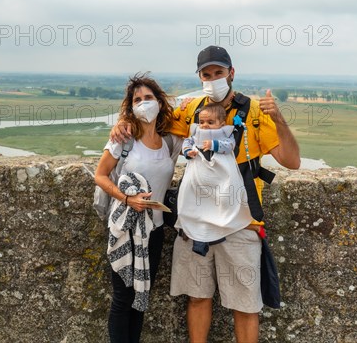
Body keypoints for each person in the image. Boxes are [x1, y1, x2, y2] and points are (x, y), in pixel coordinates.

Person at [111, 46, 300, 343]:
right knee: (197, 298)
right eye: (206, 74)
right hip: (195, 222)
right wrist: (124, 123)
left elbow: (292, 161)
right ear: (199, 76)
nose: (212, 79)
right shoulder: (191, 109)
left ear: (231, 73)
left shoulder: (253, 113)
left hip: (241, 223)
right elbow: (150, 122)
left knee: (245, 307)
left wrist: (279, 119)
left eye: (218, 73)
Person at [94, 72, 182, 343]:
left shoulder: (171, 141)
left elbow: (198, 105)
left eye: (149, 98)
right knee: (123, 298)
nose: (144, 103)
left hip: (154, 230)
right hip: (125, 229)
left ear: (159, 101)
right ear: (130, 106)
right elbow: (100, 174)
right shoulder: (124, 138)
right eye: (137, 99)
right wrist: (127, 199)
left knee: (140, 296)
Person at [175, 102, 254, 255]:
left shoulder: (225, 134)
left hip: (220, 179)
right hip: (198, 180)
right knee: (192, 203)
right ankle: (199, 237)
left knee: (223, 201)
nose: (205, 126)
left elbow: (229, 146)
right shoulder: (195, 133)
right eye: (202, 122)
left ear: (221, 123)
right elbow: (187, 142)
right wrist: (188, 151)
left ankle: (221, 228)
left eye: (210, 122)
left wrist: (214, 144)